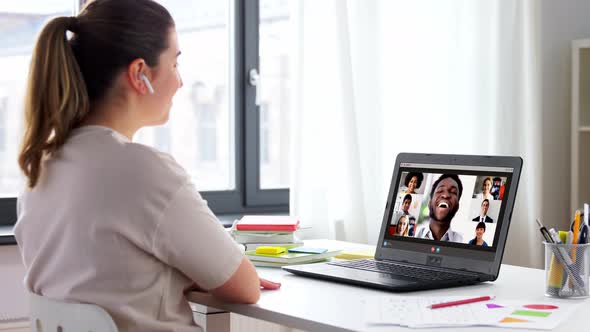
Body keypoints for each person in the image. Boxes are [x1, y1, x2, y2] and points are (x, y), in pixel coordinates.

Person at [13, 1, 279, 331]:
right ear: (140, 73)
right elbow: (245, 288)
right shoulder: (143, 170)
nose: (180, 82)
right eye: (174, 63)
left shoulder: (40, 169)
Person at [415, 174, 464, 242]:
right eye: (440, 190)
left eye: (453, 192)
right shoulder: (412, 235)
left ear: (457, 206)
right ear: (430, 203)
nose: (445, 195)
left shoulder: (463, 242)